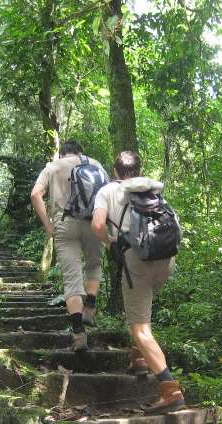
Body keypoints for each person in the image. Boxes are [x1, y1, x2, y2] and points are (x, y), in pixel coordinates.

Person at [91, 151, 186, 415]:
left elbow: (98, 224)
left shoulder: (108, 190)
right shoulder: (151, 189)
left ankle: (170, 390)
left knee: (140, 328)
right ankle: (139, 358)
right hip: (166, 257)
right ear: (139, 169)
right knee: (142, 310)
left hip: (137, 258)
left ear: (115, 170)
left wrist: (110, 242)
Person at [31, 140, 105, 352]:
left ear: (62, 153)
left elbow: (35, 194)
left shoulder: (53, 166)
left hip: (64, 223)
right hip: (93, 222)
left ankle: (79, 333)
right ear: (80, 151)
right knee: (94, 264)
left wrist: (48, 225)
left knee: (72, 278)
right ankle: (90, 306)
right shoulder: (96, 164)